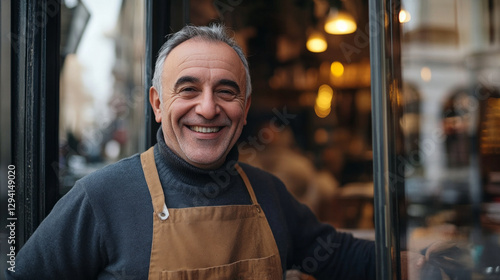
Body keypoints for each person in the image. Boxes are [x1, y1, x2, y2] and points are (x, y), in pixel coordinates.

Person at [6, 24, 379, 280]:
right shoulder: (101, 197)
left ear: (245, 109)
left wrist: (413, 261)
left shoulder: (269, 193)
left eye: (226, 91)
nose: (207, 108)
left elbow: (342, 257)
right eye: (187, 90)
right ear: (156, 104)